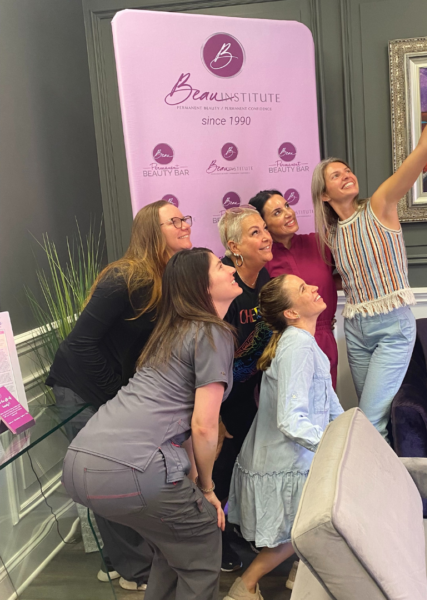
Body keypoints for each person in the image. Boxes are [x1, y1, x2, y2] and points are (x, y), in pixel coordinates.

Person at [61, 247, 241, 600]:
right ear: (200, 287)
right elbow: (204, 426)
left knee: (172, 549)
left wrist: (192, 482)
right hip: (130, 469)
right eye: (220, 266)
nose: (230, 269)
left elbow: (183, 424)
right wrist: (206, 489)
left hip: (79, 462)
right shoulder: (211, 333)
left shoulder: (169, 332)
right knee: (202, 543)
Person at [311, 67, 427, 441]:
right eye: (335, 176)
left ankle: (383, 494)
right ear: (324, 195)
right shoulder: (333, 234)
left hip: (392, 327)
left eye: (347, 170)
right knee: (371, 420)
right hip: (355, 329)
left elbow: (425, 149)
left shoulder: (381, 205)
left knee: (370, 421)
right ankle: (380, 492)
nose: (346, 176)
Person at [46, 200, 193, 590]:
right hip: (80, 390)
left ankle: (117, 562)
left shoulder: (167, 279)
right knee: (108, 478)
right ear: (151, 230)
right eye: (173, 220)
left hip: (110, 394)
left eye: (184, 218)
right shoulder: (124, 278)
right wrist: (117, 399)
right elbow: (80, 345)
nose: (183, 224)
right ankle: (135, 573)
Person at [225, 274, 344, 600]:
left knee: (307, 530)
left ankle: (301, 574)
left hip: (291, 460)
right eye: (304, 289)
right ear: (291, 312)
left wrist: (349, 436)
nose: (316, 288)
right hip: (284, 463)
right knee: (301, 532)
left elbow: (330, 404)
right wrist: (334, 449)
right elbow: (291, 420)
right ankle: (245, 586)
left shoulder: (303, 343)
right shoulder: (297, 347)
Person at [215, 206, 273, 571]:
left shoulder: (262, 279)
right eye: (255, 232)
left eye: (264, 228)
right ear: (234, 246)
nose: (265, 235)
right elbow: (202, 357)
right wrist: (213, 415)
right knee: (216, 474)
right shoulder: (223, 286)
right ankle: (213, 545)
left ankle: (232, 527)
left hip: (246, 393)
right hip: (217, 399)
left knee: (239, 466)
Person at [249, 190, 339, 387]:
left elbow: (346, 275)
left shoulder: (319, 242)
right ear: (263, 224)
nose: (288, 213)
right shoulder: (262, 258)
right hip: (284, 343)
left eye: (287, 206)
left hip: (324, 339)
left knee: (325, 407)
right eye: (277, 212)